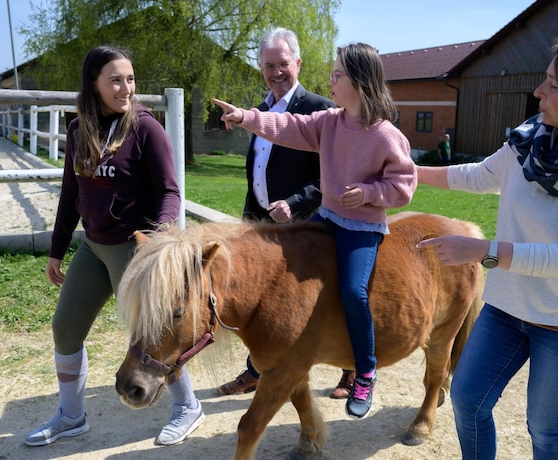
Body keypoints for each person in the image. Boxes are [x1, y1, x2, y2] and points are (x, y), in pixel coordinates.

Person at [415, 27, 558, 459]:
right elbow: (482, 175)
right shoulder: (530, 140)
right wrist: (412, 174)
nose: (539, 91)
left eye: (555, 85)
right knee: (468, 401)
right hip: (507, 309)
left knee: (545, 431)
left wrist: (482, 250)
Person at [213, 42, 417, 419]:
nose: (330, 80)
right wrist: (245, 117)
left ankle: (365, 372)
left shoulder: (386, 135)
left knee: (354, 293)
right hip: (326, 218)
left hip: (361, 226)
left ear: (358, 82)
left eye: (337, 75)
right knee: (282, 277)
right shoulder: (329, 121)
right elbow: (286, 125)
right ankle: (276, 357)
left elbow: (405, 186)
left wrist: (371, 193)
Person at [24, 45, 204, 448]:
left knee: (154, 333)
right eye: (116, 80)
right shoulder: (77, 131)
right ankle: (71, 416)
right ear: (94, 83)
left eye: (131, 79)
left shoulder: (145, 128)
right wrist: (57, 249)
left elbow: (170, 191)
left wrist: (159, 238)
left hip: (135, 249)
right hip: (94, 247)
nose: (126, 88)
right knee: (65, 329)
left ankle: (187, 407)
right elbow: (71, 195)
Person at [216, 27, 355, 401]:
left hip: (308, 225)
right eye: (268, 65)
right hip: (264, 228)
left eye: (282, 64)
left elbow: (333, 175)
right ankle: (256, 370)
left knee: (329, 297)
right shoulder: (259, 110)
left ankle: (352, 370)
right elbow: (258, 170)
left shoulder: (320, 108)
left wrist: (296, 203)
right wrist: (249, 219)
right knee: (260, 303)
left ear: (298, 63)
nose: (276, 72)